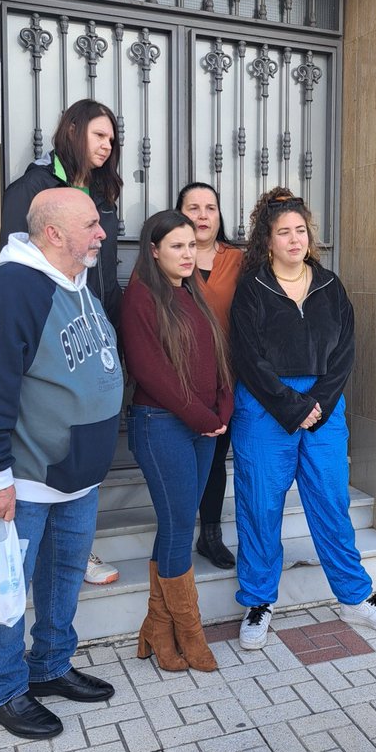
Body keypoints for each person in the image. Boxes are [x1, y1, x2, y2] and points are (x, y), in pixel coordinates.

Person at [230, 188, 376, 651]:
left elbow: (345, 353)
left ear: (311, 236)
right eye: (283, 232)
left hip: (325, 407)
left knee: (331, 501)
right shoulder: (253, 289)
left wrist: (321, 403)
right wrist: (291, 405)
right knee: (261, 507)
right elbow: (247, 357)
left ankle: (354, 596)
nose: (294, 239)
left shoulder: (331, 286)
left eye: (300, 231)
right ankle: (258, 602)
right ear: (266, 241)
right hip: (266, 407)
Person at [0, 190, 123, 740]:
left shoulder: (77, 279)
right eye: (91, 224)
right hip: (26, 478)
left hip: (77, 475)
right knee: (8, 591)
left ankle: (50, 666)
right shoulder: (15, 286)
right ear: (53, 233)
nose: (102, 234)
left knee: (65, 576)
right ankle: (4, 689)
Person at [0, 98, 124, 588]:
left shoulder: (102, 193)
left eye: (112, 139)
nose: (106, 146)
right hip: (48, 356)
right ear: (73, 132)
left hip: (92, 332)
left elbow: (106, 274)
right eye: (99, 135)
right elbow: (16, 277)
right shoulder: (32, 190)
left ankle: (79, 551)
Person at [120, 210, 233, 673]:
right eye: (177, 247)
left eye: (192, 245)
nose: (188, 254)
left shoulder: (191, 293)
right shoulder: (141, 298)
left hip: (204, 426)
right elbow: (151, 373)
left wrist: (222, 410)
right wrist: (201, 417)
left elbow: (217, 354)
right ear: (153, 250)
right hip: (162, 424)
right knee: (178, 527)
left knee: (175, 523)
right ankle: (189, 632)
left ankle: (156, 628)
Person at [176, 183, 243, 569]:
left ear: (220, 216)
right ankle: (176, 532)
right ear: (179, 213)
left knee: (215, 459)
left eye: (210, 208)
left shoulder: (239, 261)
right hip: (176, 384)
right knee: (180, 461)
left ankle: (211, 534)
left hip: (225, 383)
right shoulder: (163, 258)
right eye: (193, 207)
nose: (202, 216)